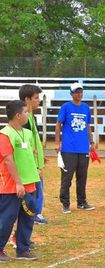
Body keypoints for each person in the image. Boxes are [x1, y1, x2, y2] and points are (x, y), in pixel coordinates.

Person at [0, 100, 40, 261]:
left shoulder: (28, 133)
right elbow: (8, 160)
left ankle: (23, 249)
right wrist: (18, 183)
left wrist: (37, 170)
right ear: (18, 115)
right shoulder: (5, 134)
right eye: (26, 112)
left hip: (30, 182)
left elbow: (29, 154)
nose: (28, 115)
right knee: (7, 218)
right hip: (12, 185)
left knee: (28, 217)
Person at [55, 82, 96, 214]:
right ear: (71, 94)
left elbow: (88, 126)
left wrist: (91, 141)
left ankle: (82, 202)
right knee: (67, 177)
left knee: (82, 177)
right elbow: (58, 125)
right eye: (76, 92)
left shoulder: (86, 108)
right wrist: (57, 142)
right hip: (68, 149)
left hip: (83, 148)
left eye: (81, 92)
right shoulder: (66, 107)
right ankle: (65, 203)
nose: (79, 94)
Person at [19, 84, 48, 224]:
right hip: (31, 167)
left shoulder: (31, 117)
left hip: (36, 163)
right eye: (36, 98)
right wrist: (35, 166)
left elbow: (34, 142)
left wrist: (41, 158)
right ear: (27, 100)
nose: (39, 101)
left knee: (38, 191)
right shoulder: (24, 121)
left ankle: (35, 214)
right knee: (34, 193)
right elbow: (25, 146)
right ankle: (34, 214)